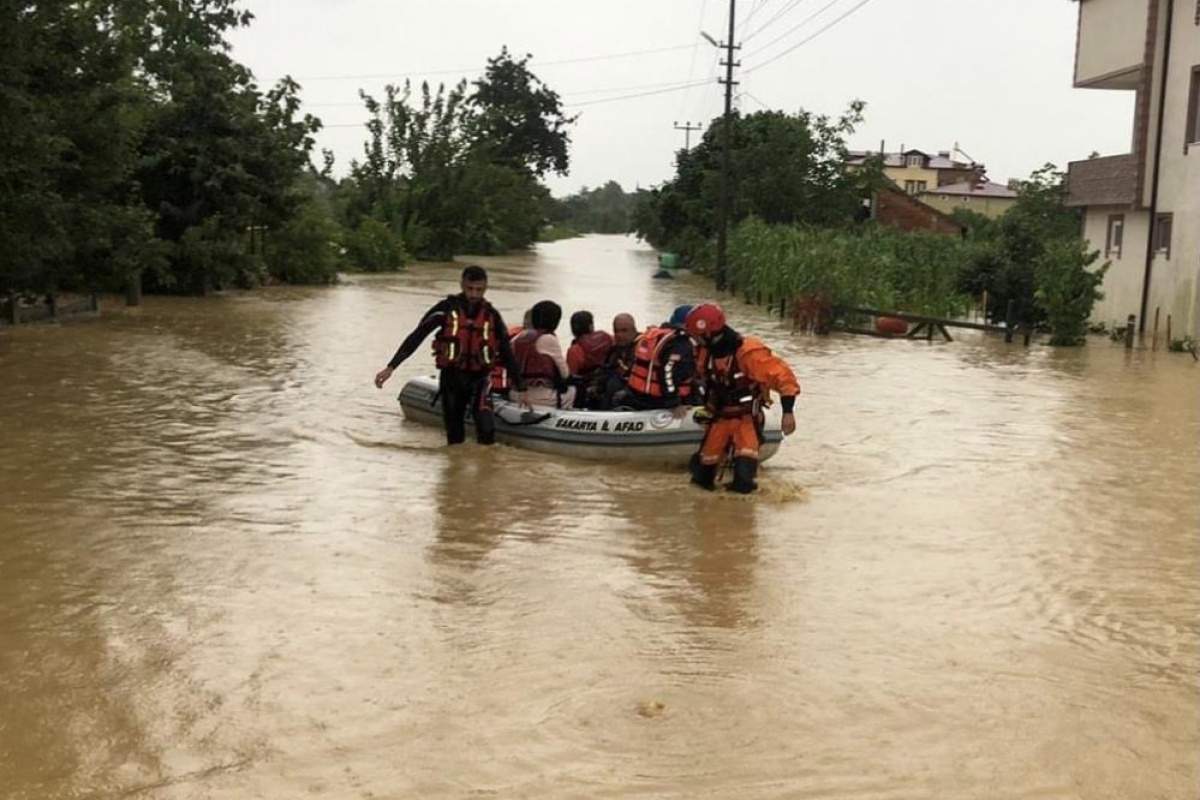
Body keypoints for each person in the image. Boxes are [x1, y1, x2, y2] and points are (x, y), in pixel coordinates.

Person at [373, 265, 521, 446]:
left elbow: (506, 351)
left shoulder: (492, 315)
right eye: (470, 289)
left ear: (485, 288)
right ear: (462, 284)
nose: (474, 294)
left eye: (479, 290)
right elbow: (417, 336)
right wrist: (391, 367)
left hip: (480, 379)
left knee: (487, 430)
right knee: (455, 436)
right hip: (452, 379)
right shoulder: (445, 309)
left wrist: (521, 388)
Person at [684, 303, 799, 494]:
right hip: (719, 418)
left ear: (709, 333)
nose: (693, 339)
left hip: (746, 419)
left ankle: (742, 518)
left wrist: (788, 412)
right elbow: (700, 380)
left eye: (696, 335)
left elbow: (784, 379)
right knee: (702, 477)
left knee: (744, 482)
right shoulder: (705, 354)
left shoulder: (748, 353)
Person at [616, 304, 700, 410]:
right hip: (659, 401)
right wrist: (674, 403)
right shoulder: (680, 342)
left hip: (637, 395)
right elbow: (667, 371)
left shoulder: (654, 336)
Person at [512, 300, 575, 408]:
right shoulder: (548, 339)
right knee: (573, 389)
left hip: (515, 394)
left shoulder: (518, 337)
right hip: (539, 398)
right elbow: (565, 374)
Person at [566, 310, 614, 409]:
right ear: (591, 326)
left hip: (586, 392)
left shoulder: (574, 350)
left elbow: (570, 377)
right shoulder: (607, 337)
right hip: (607, 385)